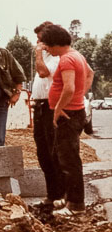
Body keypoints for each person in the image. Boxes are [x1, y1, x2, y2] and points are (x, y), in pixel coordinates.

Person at [40, 24, 94, 217]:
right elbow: (90, 74)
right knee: (65, 157)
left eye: (47, 44)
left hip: (68, 115)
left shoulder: (66, 60)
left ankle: (76, 204)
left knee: (69, 160)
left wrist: (59, 109)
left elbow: (69, 88)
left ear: (55, 43)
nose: (46, 48)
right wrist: (81, 95)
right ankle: (71, 198)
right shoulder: (77, 55)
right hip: (74, 112)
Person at [31, 21, 65, 207]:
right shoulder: (45, 56)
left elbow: (43, 73)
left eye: (41, 40)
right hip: (40, 106)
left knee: (54, 152)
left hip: (51, 106)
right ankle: (52, 194)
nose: (38, 44)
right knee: (43, 152)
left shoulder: (55, 58)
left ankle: (60, 194)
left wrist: (38, 53)